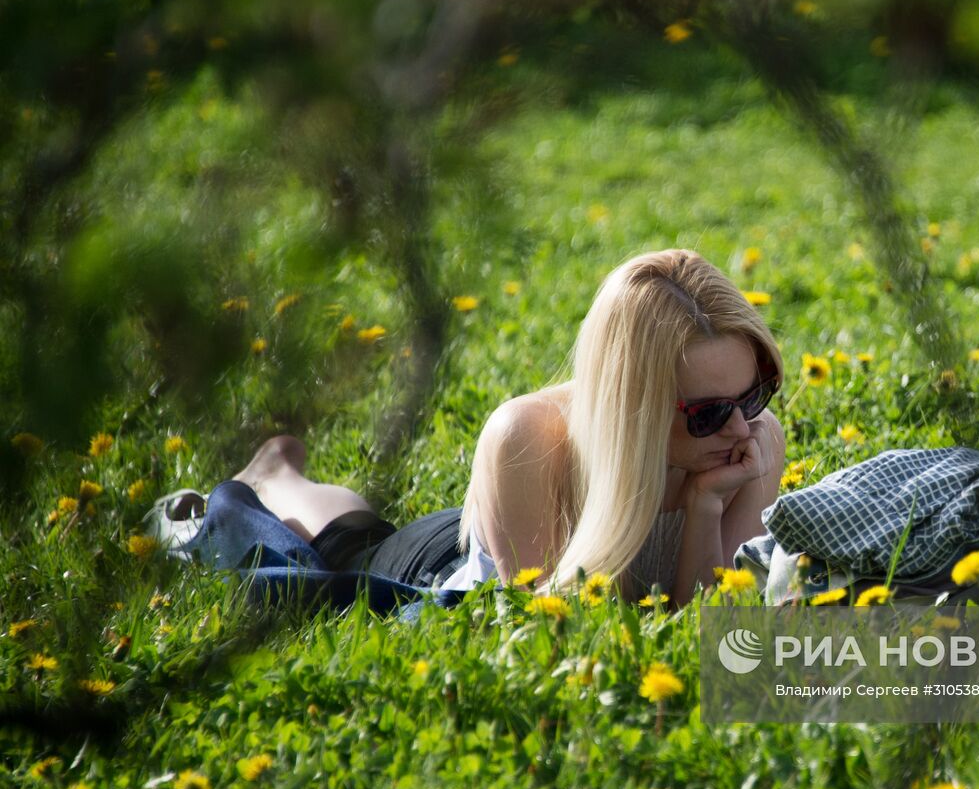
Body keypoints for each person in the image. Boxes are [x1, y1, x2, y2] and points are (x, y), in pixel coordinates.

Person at [153, 249, 787, 608]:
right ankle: (273, 476)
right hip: (438, 567)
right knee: (343, 555)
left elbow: (718, 628)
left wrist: (705, 506)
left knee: (355, 531)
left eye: (753, 392)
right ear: (633, 409)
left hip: (492, 529)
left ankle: (280, 472)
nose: (739, 426)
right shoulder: (528, 437)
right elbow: (556, 626)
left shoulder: (754, 440)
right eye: (706, 413)